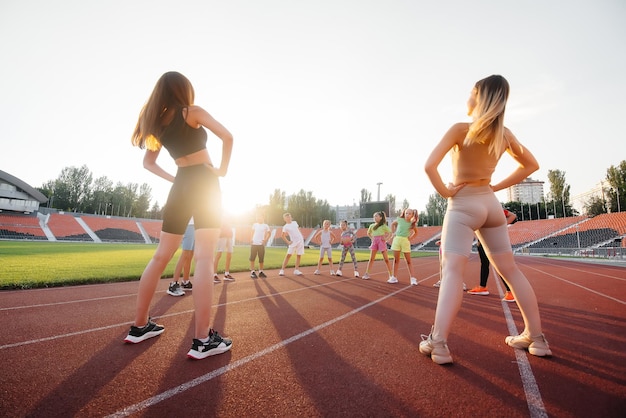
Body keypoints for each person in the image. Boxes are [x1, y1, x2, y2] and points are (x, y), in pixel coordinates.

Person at [420, 75, 551, 364]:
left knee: (452, 270)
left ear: (479, 97)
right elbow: (532, 165)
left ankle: (438, 343)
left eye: (470, 92)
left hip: (463, 203)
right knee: (511, 270)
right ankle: (536, 338)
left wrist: (446, 192)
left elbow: (430, 166)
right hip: (491, 206)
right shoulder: (505, 135)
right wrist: (496, 187)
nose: (467, 98)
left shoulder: (459, 129)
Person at [124, 71, 233, 360]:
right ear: (183, 90)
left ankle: (138, 326)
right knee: (206, 258)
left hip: (181, 184)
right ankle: (202, 339)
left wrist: (176, 180)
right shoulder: (191, 112)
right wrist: (221, 170)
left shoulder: (157, 122)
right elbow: (228, 136)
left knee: (161, 256)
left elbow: (148, 163)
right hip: (205, 182)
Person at [468, 209, 517, 302]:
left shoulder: (494, 208)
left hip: (491, 240)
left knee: (499, 265)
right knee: (484, 264)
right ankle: (482, 287)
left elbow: (513, 216)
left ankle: (510, 292)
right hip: (481, 241)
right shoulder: (476, 210)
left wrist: (502, 225)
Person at [389, 208, 419, 285]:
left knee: (408, 261)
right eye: (406, 213)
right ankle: (394, 277)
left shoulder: (412, 224)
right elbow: (392, 224)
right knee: (396, 260)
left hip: (405, 241)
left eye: (409, 214)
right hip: (397, 240)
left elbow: (416, 233)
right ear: (404, 213)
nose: (407, 215)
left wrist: (410, 238)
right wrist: (393, 233)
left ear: (412, 215)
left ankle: (412, 278)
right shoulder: (399, 219)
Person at [362, 211, 393, 280]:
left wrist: (386, 239)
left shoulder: (383, 226)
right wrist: (372, 238)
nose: (374, 218)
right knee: (371, 259)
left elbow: (390, 233)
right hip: (374, 242)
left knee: (386, 259)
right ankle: (367, 273)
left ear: (381, 217)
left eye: (376, 216)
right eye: (374, 216)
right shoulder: (372, 226)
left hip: (381, 242)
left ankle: (391, 275)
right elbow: (368, 233)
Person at [168, 220, 195, 296]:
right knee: (185, 253)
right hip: (189, 225)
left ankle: (185, 281)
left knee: (190, 254)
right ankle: (174, 284)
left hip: (196, 226)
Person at [249, 213, 271, 278]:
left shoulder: (266, 225)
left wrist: (265, 240)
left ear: (263, 218)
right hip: (254, 244)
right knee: (252, 258)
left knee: (261, 259)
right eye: (257, 217)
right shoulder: (255, 225)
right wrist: (251, 239)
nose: (258, 218)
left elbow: (269, 233)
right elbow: (252, 232)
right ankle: (252, 272)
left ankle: (261, 272)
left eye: (260, 217)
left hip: (261, 244)